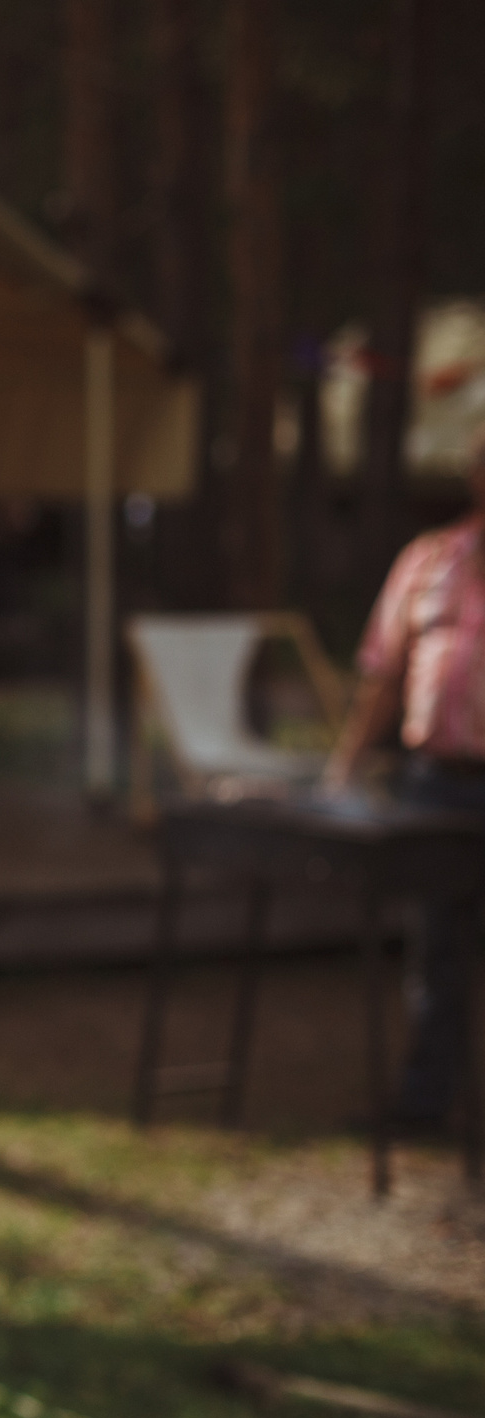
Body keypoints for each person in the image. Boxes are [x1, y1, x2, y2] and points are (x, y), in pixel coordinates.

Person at [323, 424, 485, 1127]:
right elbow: (383, 676)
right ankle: (425, 1104)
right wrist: (345, 765)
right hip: (438, 783)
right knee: (437, 954)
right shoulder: (429, 559)